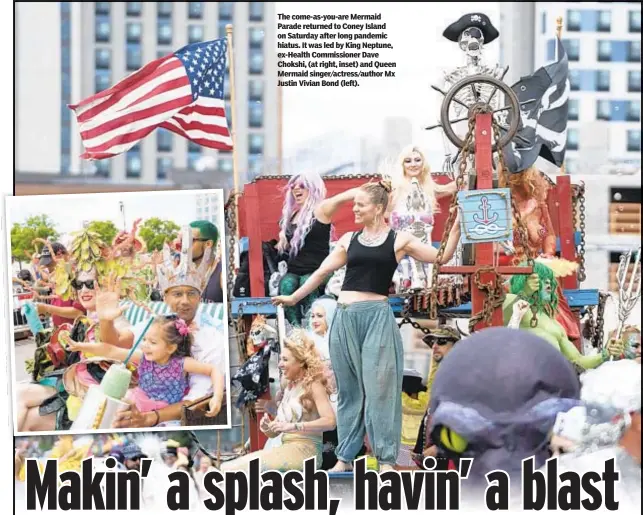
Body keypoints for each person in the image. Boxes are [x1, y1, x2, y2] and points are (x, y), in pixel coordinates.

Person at [273, 179, 463, 472]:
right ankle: (345, 458)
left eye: (361, 204)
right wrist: (293, 296)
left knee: (380, 390)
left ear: (378, 208)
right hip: (346, 316)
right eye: (355, 204)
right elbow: (322, 271)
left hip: (376, 316)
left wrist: (458, 224)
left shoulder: (399, 240)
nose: (355, 209)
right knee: (349, 392)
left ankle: (386, 459)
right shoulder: (348, 239)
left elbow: (442, 257)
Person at [111, 227, 228, 428]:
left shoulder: (213, 339)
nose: (184, 302)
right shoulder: (157, 325)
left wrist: (152, 418)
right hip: (142, 408)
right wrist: (106, 320)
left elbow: (197, 401)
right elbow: (115, 344)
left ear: (200, 297)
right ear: (165, 298)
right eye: (177, 294)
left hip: (180, 423)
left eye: (191, 294)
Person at [218, 330, 336, 472]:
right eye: (280, 359)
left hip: (306, 453)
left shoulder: (313, 385)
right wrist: (269, 428)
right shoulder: (289, 387)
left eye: (285, 360)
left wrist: (294, 427)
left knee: (236, 470)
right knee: (227, 468)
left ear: (300, 362)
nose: (280, 364)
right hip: (286, 447)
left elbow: (330, 422)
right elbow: (278, 432)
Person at [68, 314, 225, 421]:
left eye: (153, 342)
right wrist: (80, 345)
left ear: (170, 348)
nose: (145, 346)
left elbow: (214, 370)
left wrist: (217, 396)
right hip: (138, 400)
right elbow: (111, 350)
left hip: (163, 411)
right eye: (144, 339)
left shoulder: (182, 363)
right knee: (103, 408)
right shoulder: (144, 358)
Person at [498, 166, 580, 344]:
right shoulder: (500, 204)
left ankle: (554, 328)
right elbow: (497, 242)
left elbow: (549, 234)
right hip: (508, 269)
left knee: (544, 277)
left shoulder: (539, 205)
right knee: (534, 281)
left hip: (534, 264)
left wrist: (548, 254)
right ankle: (544, 328)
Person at [276, 171, 360, 326]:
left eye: (302, 186)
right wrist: (282, 237)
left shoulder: (321, 210)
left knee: (307, 283)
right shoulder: (292, 215)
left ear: (312, 188)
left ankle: (313, 331)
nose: (296, 189)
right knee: (287, 285)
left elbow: (343, 197)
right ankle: (297, 332)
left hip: (318, 270)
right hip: (294, 270)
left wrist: (367, 191)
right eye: (293, 186)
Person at [388, 145, 460, 296]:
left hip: (424, 245)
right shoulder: (394, 188)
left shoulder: (428, 187)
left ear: (423, 163)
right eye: (408, 161)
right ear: (402, 165)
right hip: (402, 248)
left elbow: (450, 188)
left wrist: (466, 176)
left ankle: (425, 282)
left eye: (417, 160)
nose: (413, 164)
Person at [189, 220, 223, 304]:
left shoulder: (221, 274)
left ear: (208, 244)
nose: (185, 246)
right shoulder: (186, 274)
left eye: (190, 240)